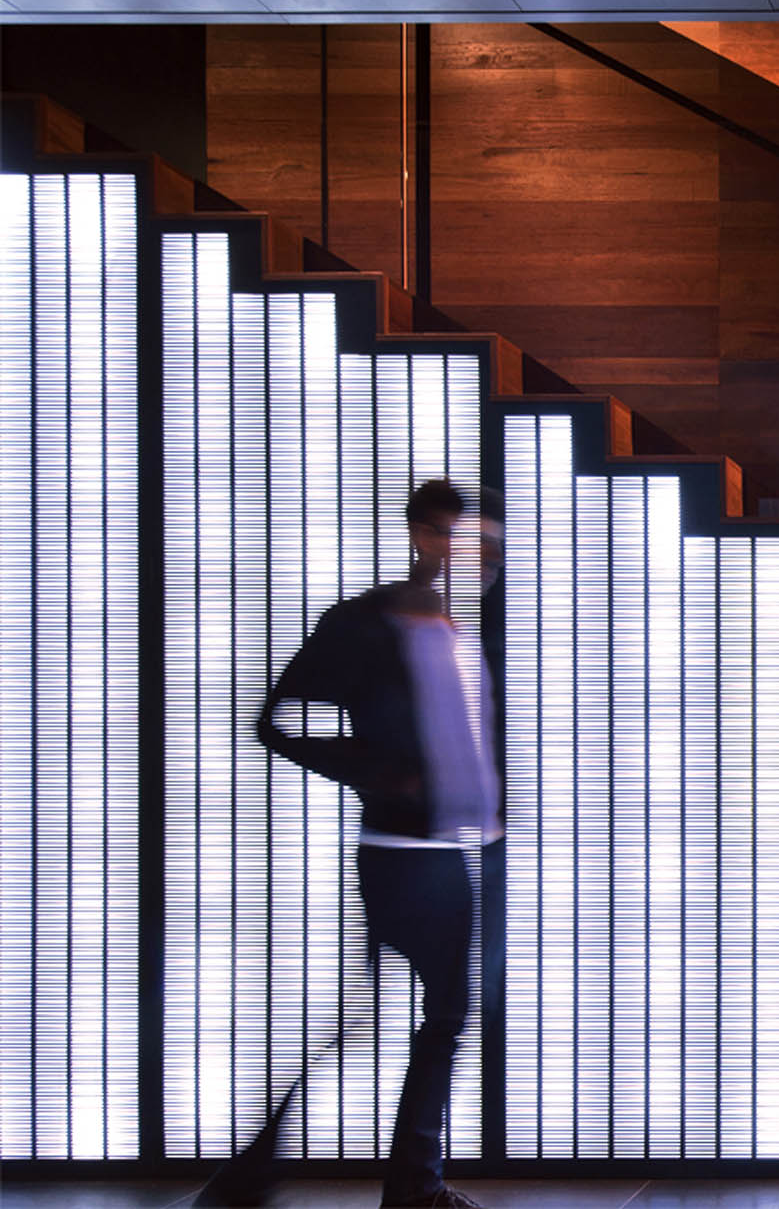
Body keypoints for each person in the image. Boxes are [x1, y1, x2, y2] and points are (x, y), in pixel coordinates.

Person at [199, 480, 504, 1209]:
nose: (465, 555)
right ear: (417, 535)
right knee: (422, 1016)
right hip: (403, 853)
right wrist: (376, 772)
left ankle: (281, 1172)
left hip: (459, 852)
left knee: (418, 1015)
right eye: (446, 535)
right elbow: (277, 720)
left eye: (480, 544)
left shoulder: (460, 628)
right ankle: (387, 1183)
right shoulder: (366, 622)